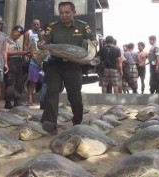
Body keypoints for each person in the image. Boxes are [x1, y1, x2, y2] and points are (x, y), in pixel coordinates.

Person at [38, 1, 95, 135]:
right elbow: (45, 40)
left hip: (73, 65)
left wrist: (91, 45)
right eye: (61, 12)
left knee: (74, 96)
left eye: (67, 12)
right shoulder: (53, 27)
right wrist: (42, 43)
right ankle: (50, 123)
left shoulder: (83, 26)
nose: (64, 15)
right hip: (55, 64)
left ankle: (77, 122)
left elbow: (92, 39)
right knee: (52, 92)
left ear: (74, 13)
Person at [4, 25, 28, 109]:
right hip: (11, 61)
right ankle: (8, 102)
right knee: (11, 82)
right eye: (17, 33)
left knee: (19, 82)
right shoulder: (7, 40)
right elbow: (6, 52)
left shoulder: (17, 42)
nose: (18, 35)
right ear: (13, 31)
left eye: (20, 34)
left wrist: (24, 55)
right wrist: (20, 53)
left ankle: (17, 100)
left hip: (18, 62)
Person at [23, 19, 44, 106]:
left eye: (38, 24)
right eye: (35, 24)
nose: (36, 26)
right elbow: (27, 45)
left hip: (43, 63)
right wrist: (26, 54)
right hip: (34, 63)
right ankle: (30, 100)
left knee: (45, 82)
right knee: (32, 82)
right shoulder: (30, 36)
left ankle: (44, 101)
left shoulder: (45, 40)